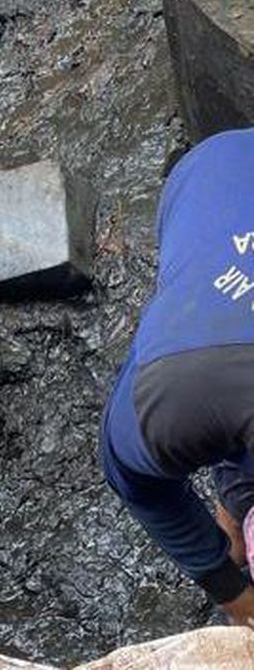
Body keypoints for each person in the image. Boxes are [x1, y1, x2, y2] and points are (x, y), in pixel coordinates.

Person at [99, 128, 254, 626]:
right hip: (211, 181)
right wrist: (230, 590)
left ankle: (235, 512)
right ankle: (234, 527)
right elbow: (132, 476)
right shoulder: (170, 398)